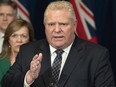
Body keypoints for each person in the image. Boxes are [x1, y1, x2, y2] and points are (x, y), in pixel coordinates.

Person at [1, 1, 115, 87]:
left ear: (74, 25)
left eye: (63, 24)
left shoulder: (96, 55)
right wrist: (29, 77)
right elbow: (6, 82)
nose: (56, 30)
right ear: (44, 26)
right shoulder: (28, 51)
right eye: (51, 24)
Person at [0, 19, 34, 87]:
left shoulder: (36, 63)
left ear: (29, 40)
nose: (19, 40)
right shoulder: (1, 61)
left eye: (23, 36)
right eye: (14, 36)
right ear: (8, 40)